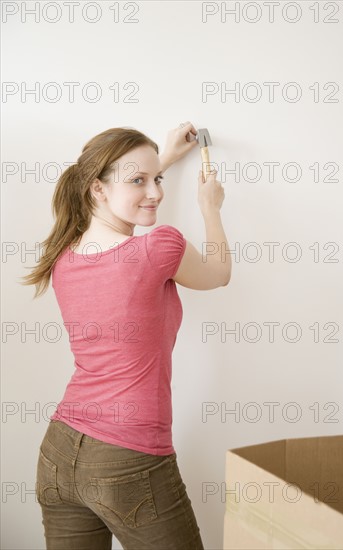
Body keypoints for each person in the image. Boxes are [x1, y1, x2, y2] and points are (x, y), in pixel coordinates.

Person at [20, 121, 231, 549]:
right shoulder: (160, 248)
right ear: (97, 188)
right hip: (128, 458)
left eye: (157, 180)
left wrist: (160, 161)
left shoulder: (64, 258)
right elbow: (219, 274)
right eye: (140, 180)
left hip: (59, 453)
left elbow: (125, 203)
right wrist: (211, 207)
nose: (156, 192)